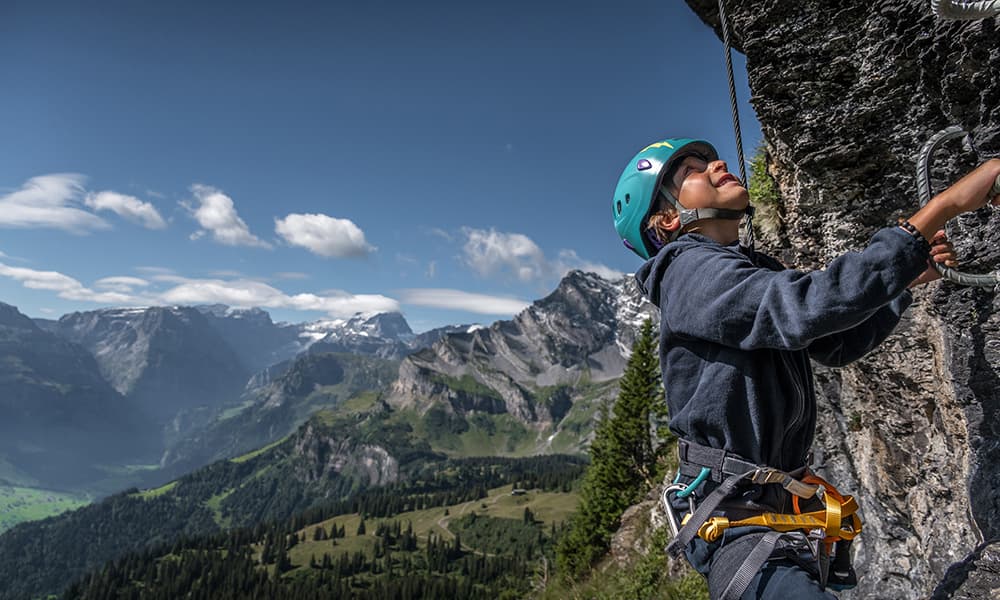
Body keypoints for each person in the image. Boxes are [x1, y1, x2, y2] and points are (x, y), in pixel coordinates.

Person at [611, 137, 1000, 600]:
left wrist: (903, 282)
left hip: (766, 515)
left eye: (710, 159)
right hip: (739, 525)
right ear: (669, 219)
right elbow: (803, 306)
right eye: (692, 169)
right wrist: (945, 206)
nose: (716, 164)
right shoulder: (687, 271)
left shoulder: (742, 270)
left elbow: (834, 343)